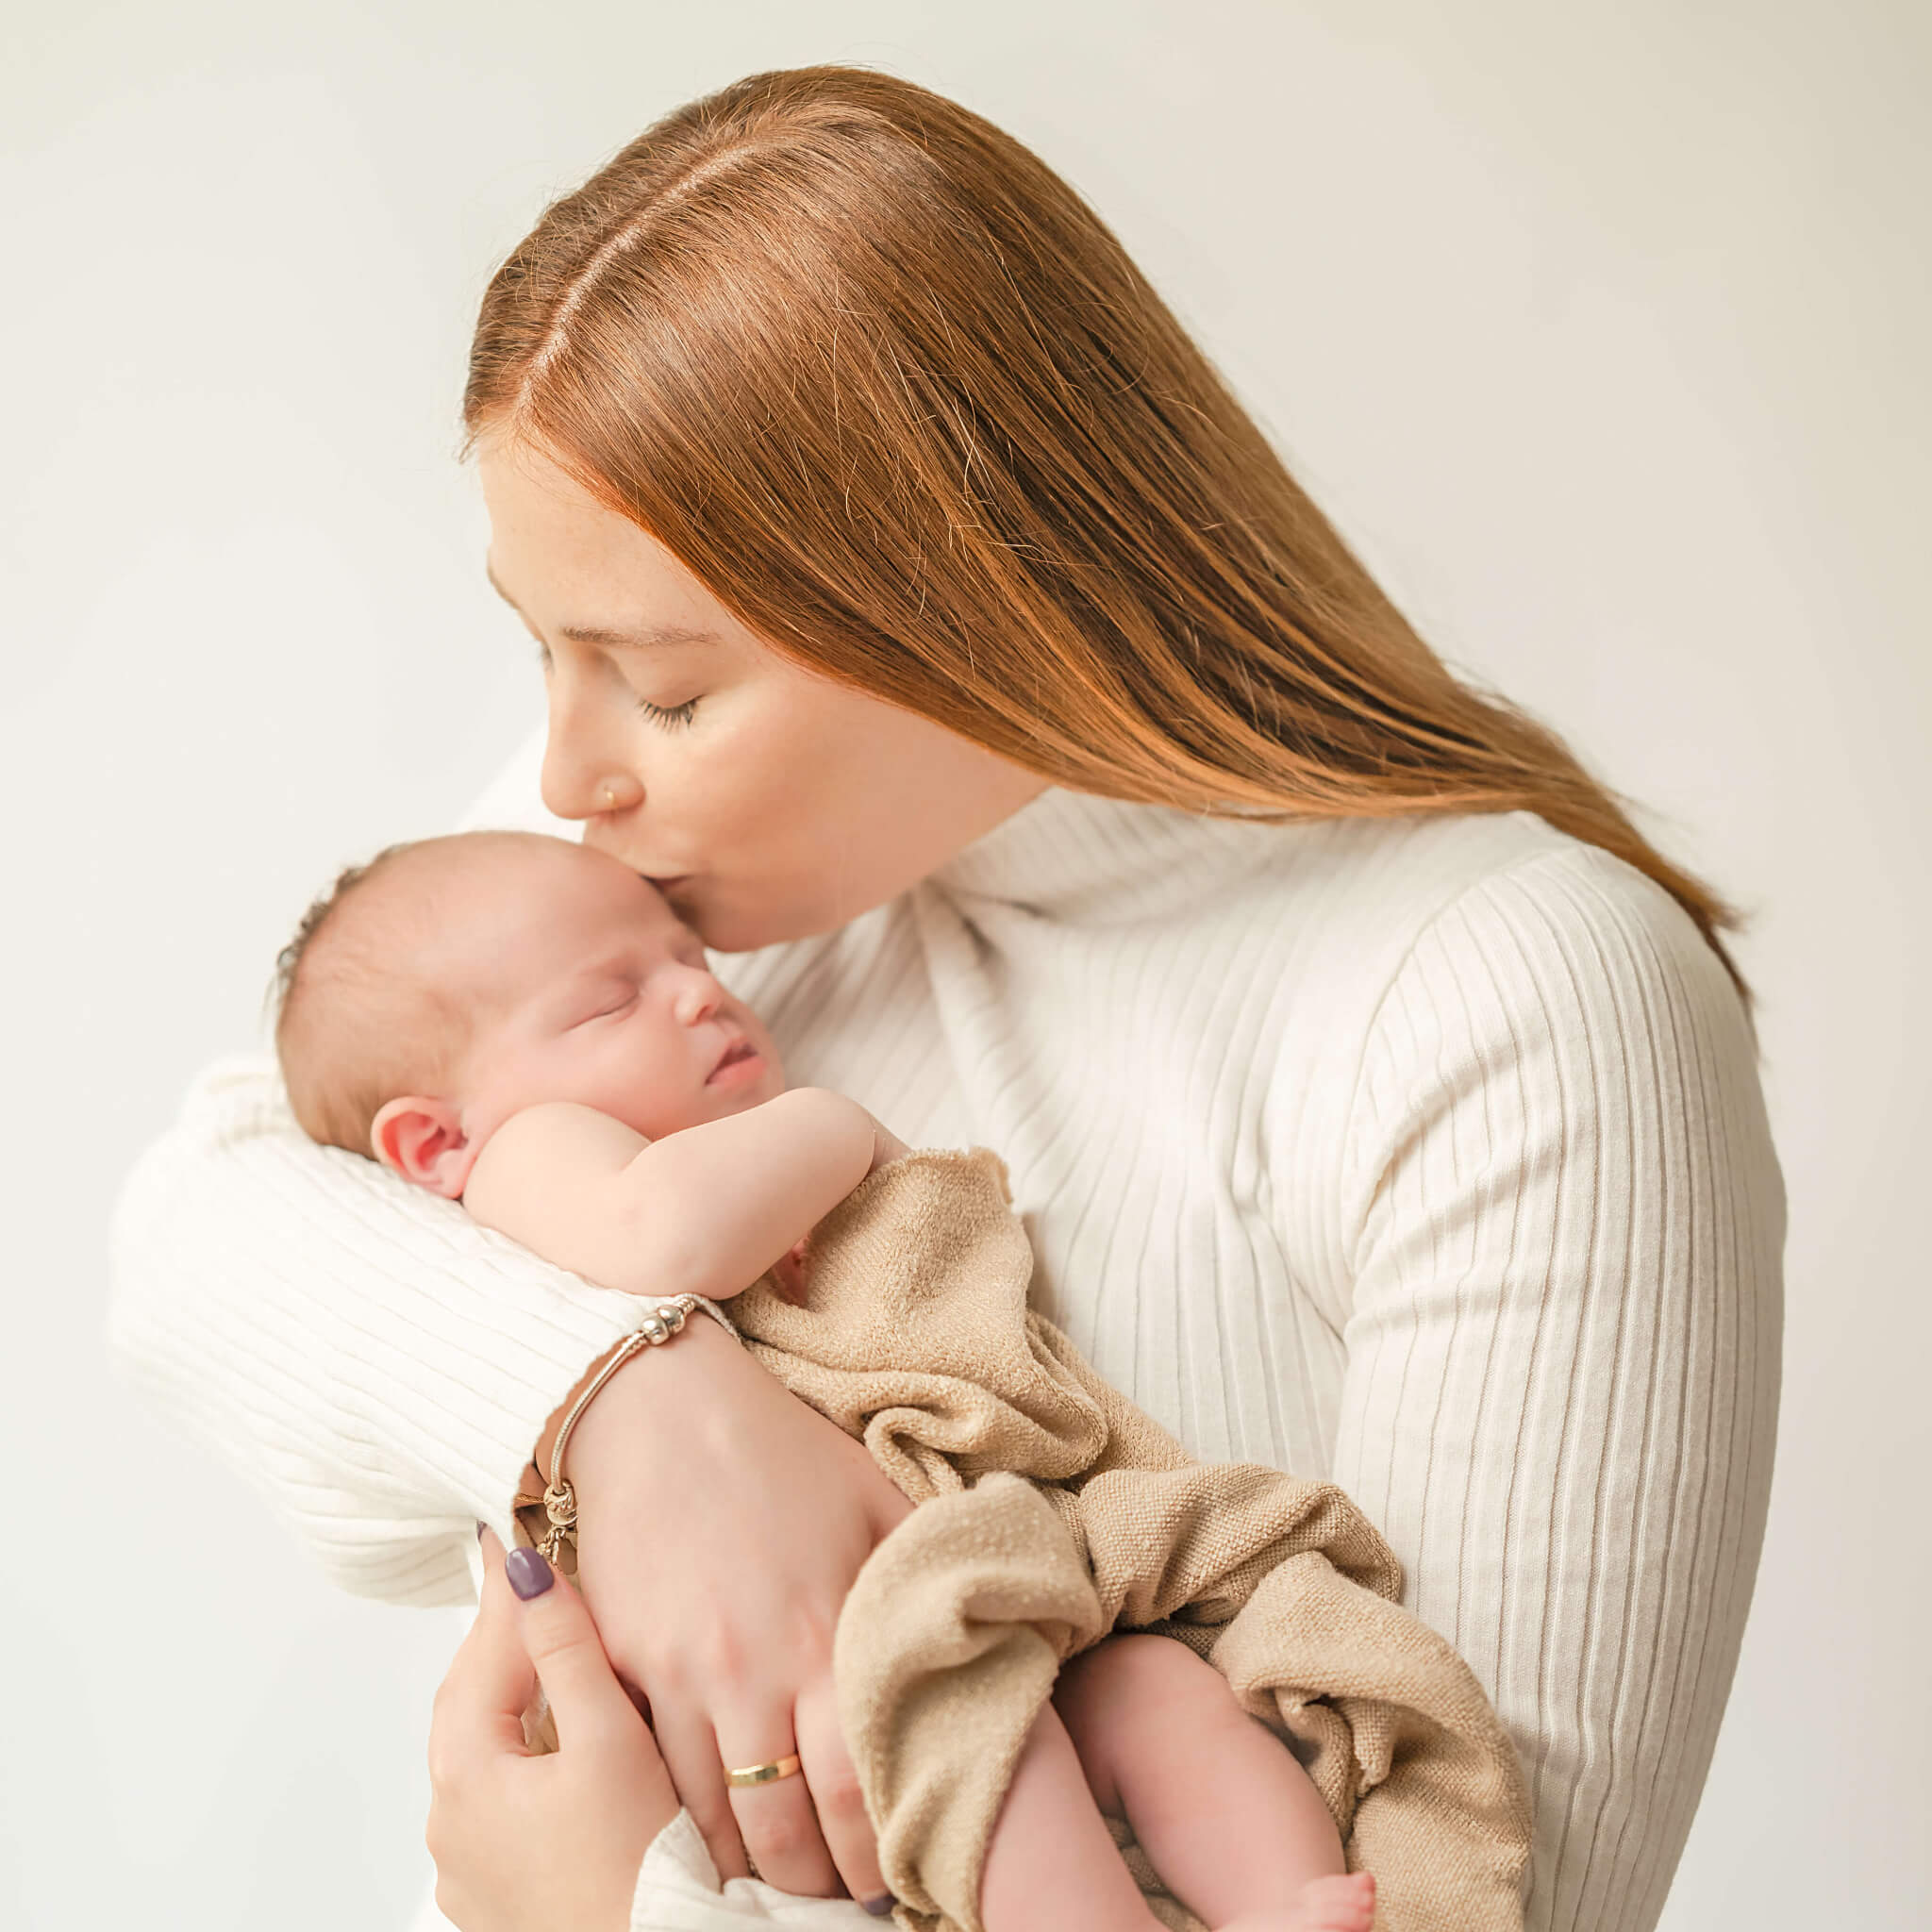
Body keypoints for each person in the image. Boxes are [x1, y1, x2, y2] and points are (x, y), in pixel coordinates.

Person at [107, 62, 1784, 1932]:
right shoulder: (679, 908)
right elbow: (198, 1221)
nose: (567, 771)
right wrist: (629, 1412)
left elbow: (1483, 1894)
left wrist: (607, 1912)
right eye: (541, 652)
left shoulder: (1511, 1005)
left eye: (660, 689)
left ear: (960, 600)